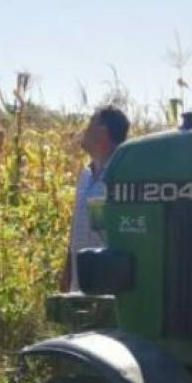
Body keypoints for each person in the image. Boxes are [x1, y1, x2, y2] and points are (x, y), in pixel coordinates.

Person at [60, 106, 129, 293]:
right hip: (79, 281)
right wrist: (68, 268)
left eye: (90, 124)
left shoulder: (121, 175)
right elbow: (79, 225)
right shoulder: (85, 174)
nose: (85, 131)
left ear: (102, 133)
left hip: (105, 283)